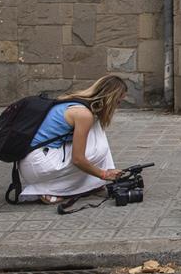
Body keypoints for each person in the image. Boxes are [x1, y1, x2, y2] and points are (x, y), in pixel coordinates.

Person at [18, 75, 127, 204]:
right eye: (118, 102)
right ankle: (50, 190)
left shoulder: (75, 101)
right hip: (38, 163)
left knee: (97, 133)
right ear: (110, 99)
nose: (117, 106)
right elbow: (78, 159)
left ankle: (97, 182)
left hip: (32, 160)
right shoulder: (84, 114)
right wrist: (103, 174)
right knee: (99, 148)